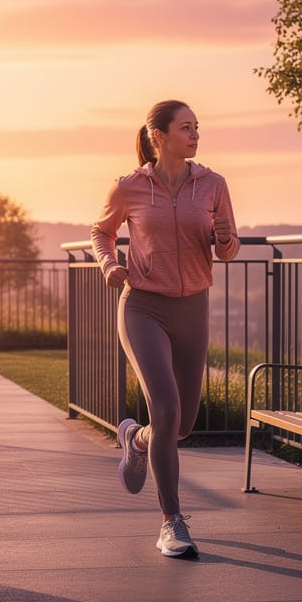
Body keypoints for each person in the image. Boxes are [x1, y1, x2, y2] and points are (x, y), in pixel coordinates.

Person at [90, 99, 239, 557]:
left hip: (192, 307)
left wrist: (224, 240)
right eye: (185, 128)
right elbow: (101, 231)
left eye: (198, 128)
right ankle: (171, 522)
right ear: (159, 136)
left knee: (181, 425)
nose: (195, 136)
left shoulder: (212, 184)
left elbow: (229, 248)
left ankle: (134, 438)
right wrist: (109, 264)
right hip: (143, 308)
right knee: (168, 406)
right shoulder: (130, 186)